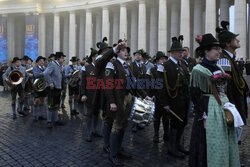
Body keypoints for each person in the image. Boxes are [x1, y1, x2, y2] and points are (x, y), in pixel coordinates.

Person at [189, 33, 240, 167]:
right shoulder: (198, 70)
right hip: (209, 111)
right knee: (208, 143)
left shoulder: (219, 67)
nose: (219, 52)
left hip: (222, 109)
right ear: (206, 51)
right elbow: (195, 95)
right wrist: (203, 116)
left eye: (219, 49)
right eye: (216, 49)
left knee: (223, 141)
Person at [104, 40, 152, 166]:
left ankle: (119, 149)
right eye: (123, 50)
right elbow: (108, 85)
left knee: (123, 125)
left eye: (127, 51)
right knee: (116, 126)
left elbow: (134, 83)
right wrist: (111, 102)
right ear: (117, 53)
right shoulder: (112, 64)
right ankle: (112, 154)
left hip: (127, 100)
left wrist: (145, 96)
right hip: (117, 101)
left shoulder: (127, 66)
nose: (126, 52)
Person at [160, 36, 190, 158]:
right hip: (173, 101)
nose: (181, 54)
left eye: (182, 52)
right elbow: (160, 86)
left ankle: (178, 145)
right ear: (172, 53)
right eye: (179, 52)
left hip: (184, 100)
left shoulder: (182, 64)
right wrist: (164, 103)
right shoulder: (165, 65)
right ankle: (172, 148)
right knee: (175, 124)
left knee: (183, 122)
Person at [216, 21, 249, 124]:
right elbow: (224, 87)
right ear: (228, 43)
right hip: (232, 103)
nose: (238, 40)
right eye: (235, 39)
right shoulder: (224, 60)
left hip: (236, 101)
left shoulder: (229, 58)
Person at [146, 51, 169, 143]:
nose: (163, 61)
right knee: (157, 118)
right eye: (161, 59)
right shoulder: (152, 70)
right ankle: (156, 134)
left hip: (166, 97)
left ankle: (166, 134)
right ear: (157, 61)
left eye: (164, 59)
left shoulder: (167, 69)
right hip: (156, 97)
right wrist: (150, 96)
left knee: (166, 118)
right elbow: (148, 84)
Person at [80, 48, 102, 142]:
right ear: (92, 57)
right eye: (96, 57)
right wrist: (83, 94)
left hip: (99, 95)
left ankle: (94, 130)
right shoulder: (86, 67)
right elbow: (83, 83)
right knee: (89, 115)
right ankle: (88, 133)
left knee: (96, 113)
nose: (97, 58)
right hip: (89, 95)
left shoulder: (101, 67)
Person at [43, 52, 66, 128]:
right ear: (58, 58)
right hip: (52, 89)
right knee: (50, 105)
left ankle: (56, 120)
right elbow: (46, 73)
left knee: (56, 104)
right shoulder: (53, 64)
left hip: (58, 88)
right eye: (62, 58)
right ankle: (49, 121)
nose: (63, 60)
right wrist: (50, 83)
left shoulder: (59, 66)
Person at [130, 49, 147, 132]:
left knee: (141, 108)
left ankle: (139, 123)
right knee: (135, 108)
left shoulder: (143, 66)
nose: (138, 56)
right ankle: (134, 125)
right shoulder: (131, 65)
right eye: (136, 55)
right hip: (134, 90)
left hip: (142, 89)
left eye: (139, 55)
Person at [32, 56, 47, 121]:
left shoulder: (45, 68)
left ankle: (41, 115)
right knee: (36, 101)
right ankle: (35, 116)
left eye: (43, 61)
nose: (42, 62)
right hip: (37, 86)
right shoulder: (35, 68)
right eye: (41, 61)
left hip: (43, 86)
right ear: (37, 62)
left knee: (42, 100)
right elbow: (36, 75)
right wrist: (44, 73)